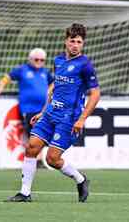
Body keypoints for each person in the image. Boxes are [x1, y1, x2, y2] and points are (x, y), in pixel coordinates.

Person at [6, 23, 100, 203]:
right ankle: (24, 193)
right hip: (50, 113)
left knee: (52, 159)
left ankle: (81, 179)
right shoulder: (58, 61)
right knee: (31, 147)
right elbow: (55, 88)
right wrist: (43, 112)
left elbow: (96, 94)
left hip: (69, 118)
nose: (75, 45)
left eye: (79, 42)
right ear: (66, 41)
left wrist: (81, 119)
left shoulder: (85, 65)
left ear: (83, 44)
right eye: (72, 41)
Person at [0, 48, 54, 138]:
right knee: (34, 138)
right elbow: (7, 77)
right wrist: (0, 87)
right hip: (29, 110)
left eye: (42, 60)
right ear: (30, 59)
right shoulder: (22, 69)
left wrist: (49, 92)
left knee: (44, 138)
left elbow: (53, 83)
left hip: (43, 110)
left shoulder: (45, 72)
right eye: (36, 59)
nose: (39, 62)